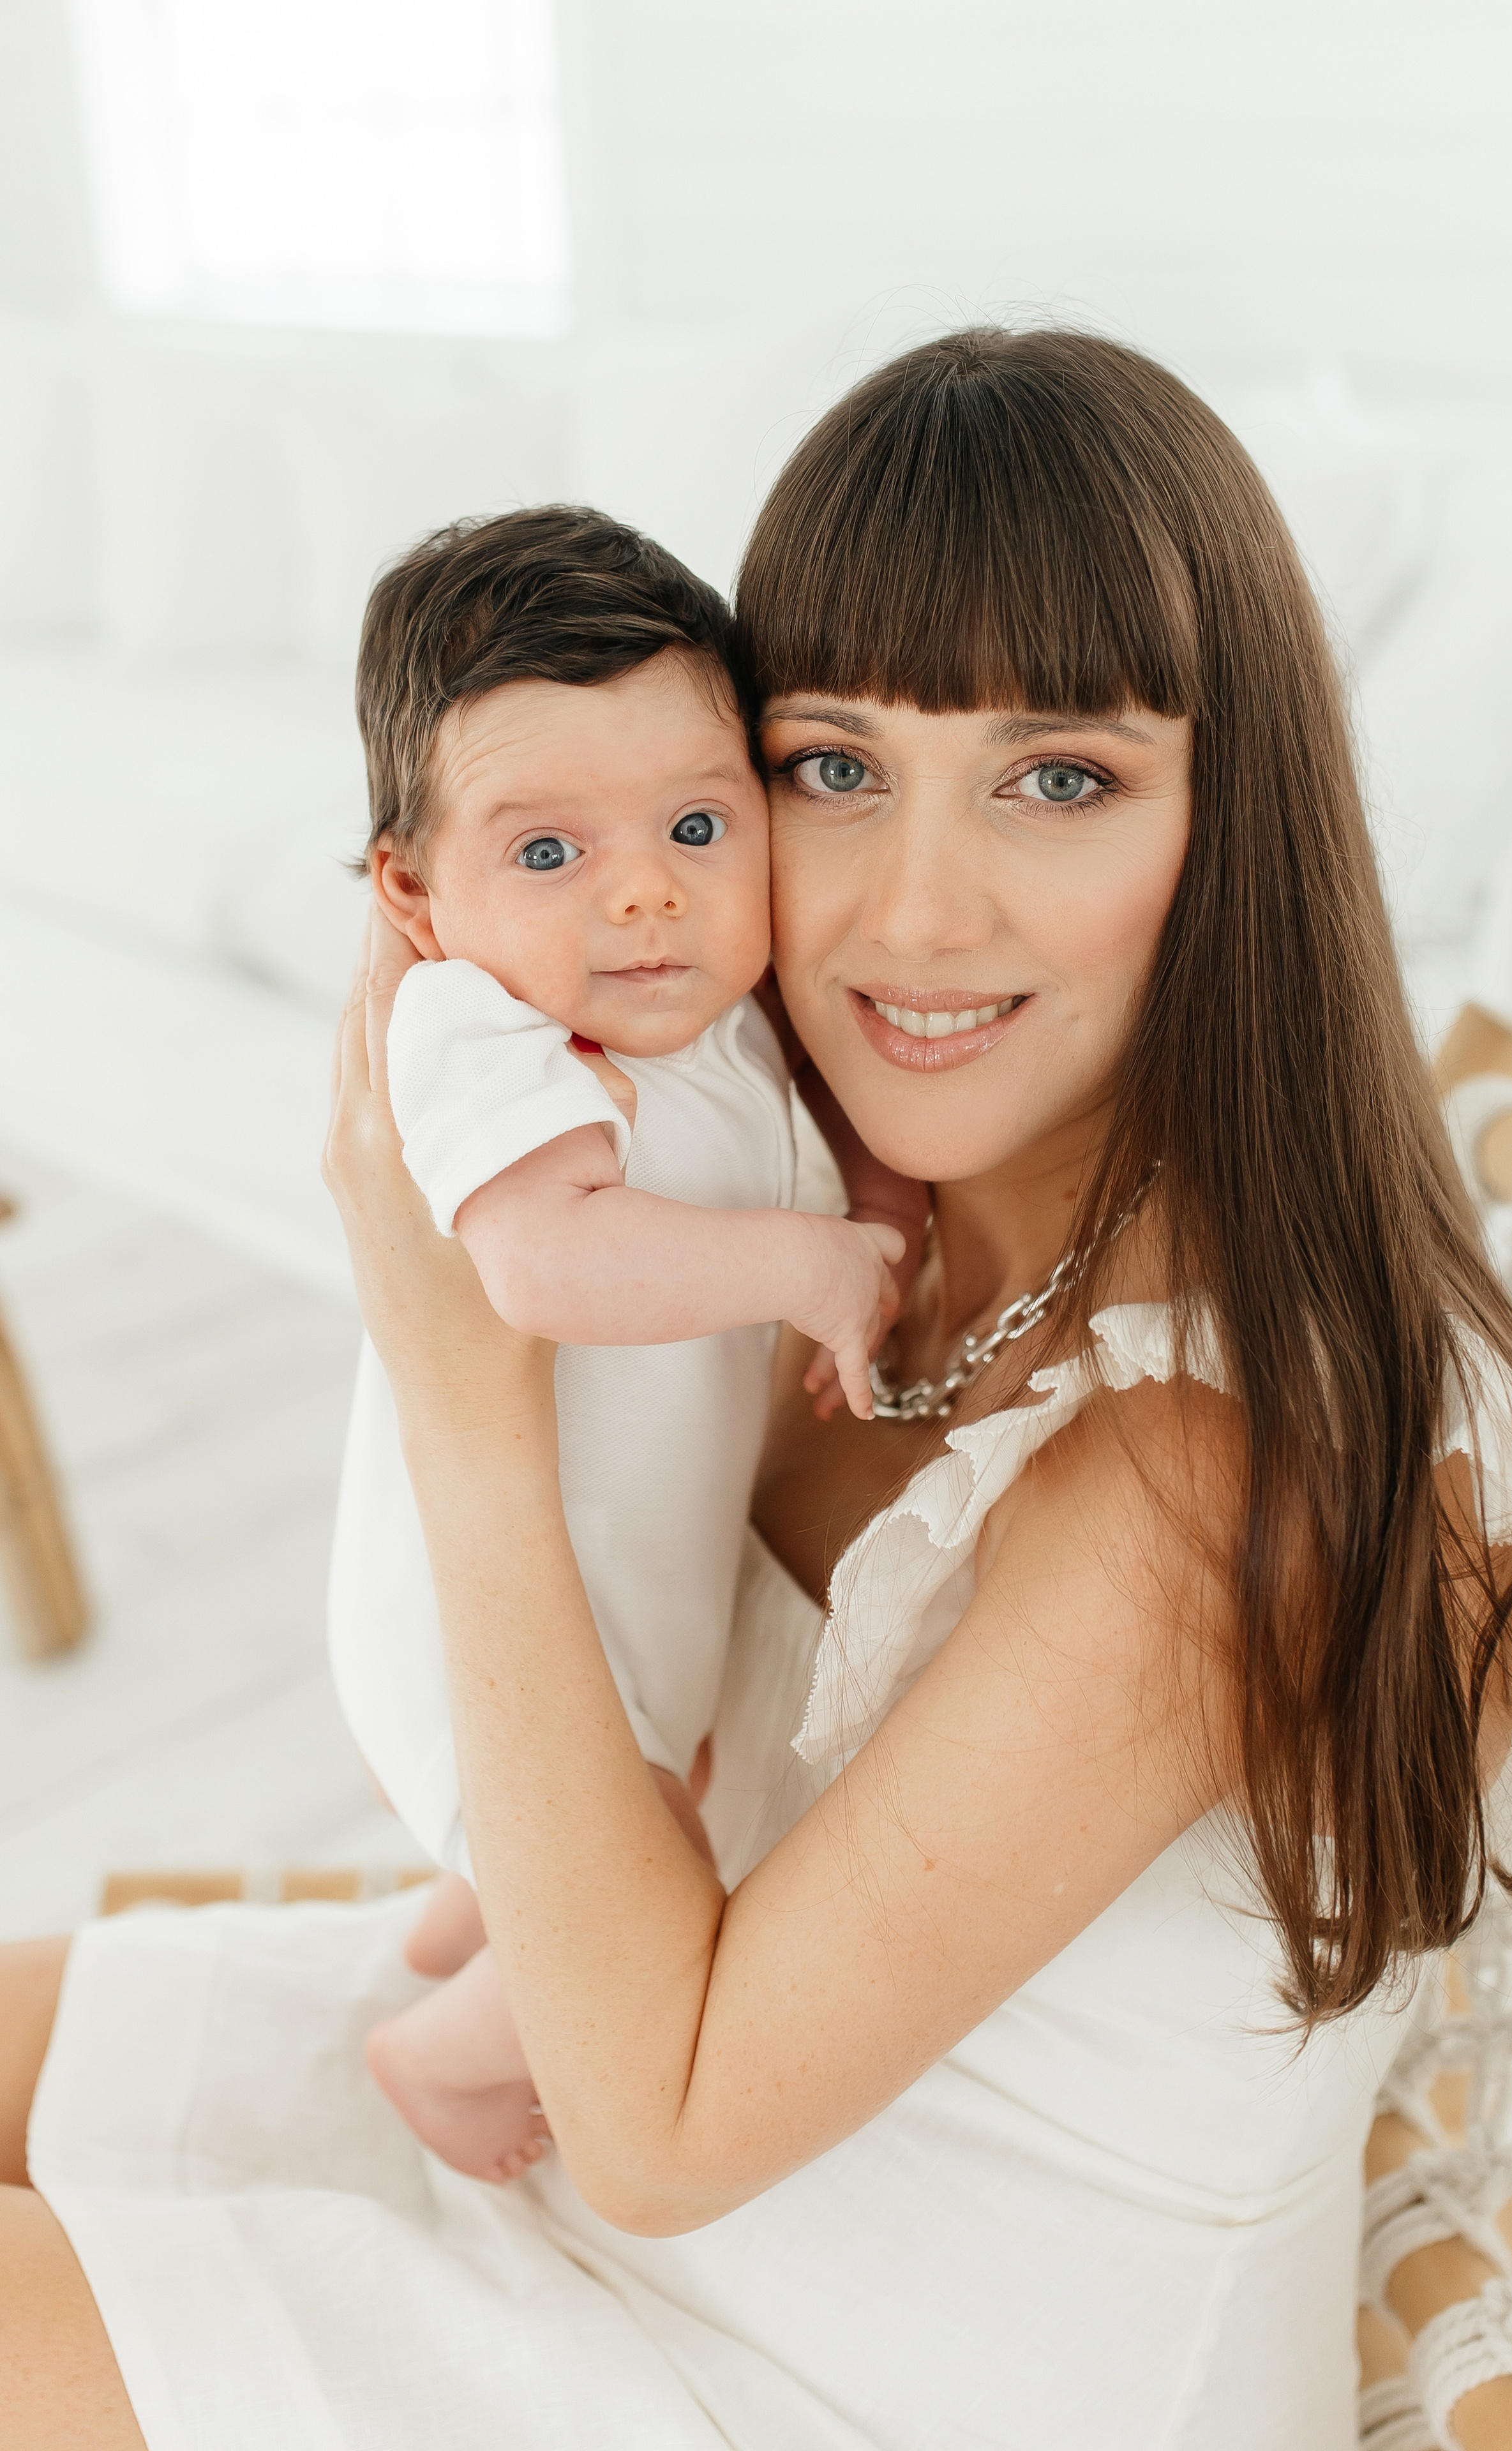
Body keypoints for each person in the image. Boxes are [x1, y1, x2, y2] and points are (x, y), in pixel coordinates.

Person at [3, 327, 1512, 2451]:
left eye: (1061, 779)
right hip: (619, 2092)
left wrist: (460, 1386)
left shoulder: (1192, 1481)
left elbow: (667, 2124)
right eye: (834, 768)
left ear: (1236, 823)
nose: (916, 913)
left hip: (831, 2347)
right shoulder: (839, 1185)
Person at [328, 504, 914, 2185]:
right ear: (412, 895)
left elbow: (829, 1123)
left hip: (621, 1599)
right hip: (476, 1617)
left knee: (673, 1773)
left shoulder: (712, 1010)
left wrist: (879, 1209)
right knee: (635, 1854)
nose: (647, 888)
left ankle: (464, 1923)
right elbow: (547, 1265)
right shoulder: (470, 1023)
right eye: (545, 850)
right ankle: (446, 2065)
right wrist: (813, 1265)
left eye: (695, 822)